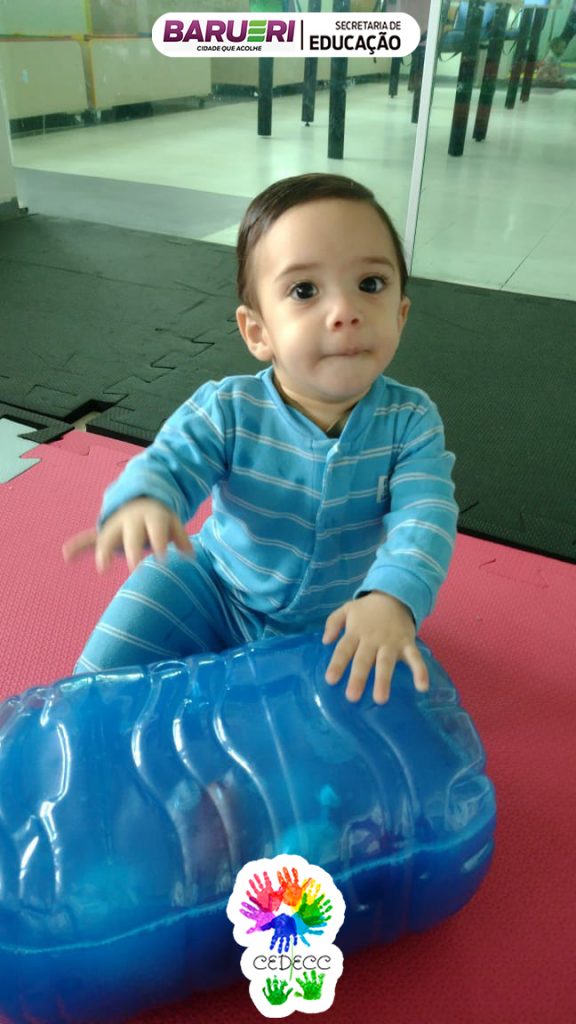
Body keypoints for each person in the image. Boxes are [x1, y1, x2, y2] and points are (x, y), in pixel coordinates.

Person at [63, 173, 458, 705]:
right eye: (304, 290)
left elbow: (424, 518)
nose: (345, 312)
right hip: (214, 586)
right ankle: (86, 715)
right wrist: (145, 500)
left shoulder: (410, 421)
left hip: (334, 621)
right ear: (257, 331)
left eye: (370, 284)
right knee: (105, 668)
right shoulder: (229, 408)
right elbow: (171, 461)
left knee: (358, 719)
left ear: (401, 314)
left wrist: (391, 598)